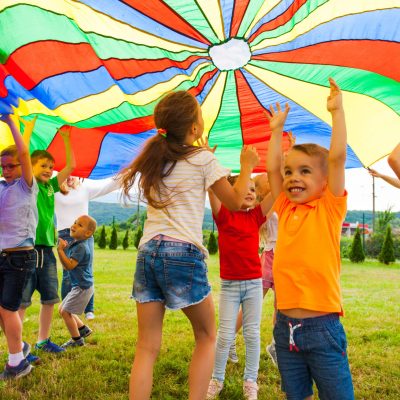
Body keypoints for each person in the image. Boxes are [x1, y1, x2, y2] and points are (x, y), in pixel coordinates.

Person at [119, 90, 260, 400]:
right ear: (195, 129)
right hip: (182, 252)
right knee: (208, 335)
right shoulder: (203, 159)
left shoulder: (157, 160)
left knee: (146, 347)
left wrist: (204, 157)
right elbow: (237, 202)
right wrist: (246, 165)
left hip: (148, 253)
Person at [266, 78, 354, 400]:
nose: (293, 178)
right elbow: (272, 170)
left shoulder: (329, 208)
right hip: (285, 329)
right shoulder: (285, 208)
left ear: (324, 180)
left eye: (304, 171)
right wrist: (276, 133)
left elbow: (337, 157)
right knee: (295, 395)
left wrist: (337, 112)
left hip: (323, 328)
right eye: (291, 172)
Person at [206, 174, 273, 400]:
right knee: (224, 336)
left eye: (254, 189)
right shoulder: (223, 216)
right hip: (230, 286)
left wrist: (282, 167)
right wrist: (211, 167)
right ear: (231, 193)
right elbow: (213, 190)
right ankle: (217, 378)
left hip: (254, 284)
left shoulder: (255, 216)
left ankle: (250, 382)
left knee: (252, 334)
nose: (251, 192)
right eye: (246, 187)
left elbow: (278, 192)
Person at [19, 125, 76, 353]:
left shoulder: (51, 187)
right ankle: (20, 347)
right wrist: (28, 132)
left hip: (47, 252)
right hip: (28, 251)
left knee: (50, 299)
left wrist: (66, 139)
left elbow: (71, 166)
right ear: (31, 167)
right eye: (43, 166)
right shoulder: (28, 186)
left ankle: (43, 340)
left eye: (51, 167)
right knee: (21, 301)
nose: (48, 170)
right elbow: (22, 157)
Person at [0, 115, 38, 379]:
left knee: (8, 309)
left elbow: (23, 153)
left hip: (20, 257)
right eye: (2, 167)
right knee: (2, 310)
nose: (6, 170)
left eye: (11, 166)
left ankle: (18, 363)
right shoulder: (3, 188)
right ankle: (20, 348)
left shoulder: (27, 187)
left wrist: (10, 122)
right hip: (3, 257)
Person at [55, 175, 119, 320]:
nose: (70, 177)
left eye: (74, 174)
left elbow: (109, 185)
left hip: (85, 235)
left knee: (86, 271)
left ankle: (89, 309)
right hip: (65, 234)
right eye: (67, 173)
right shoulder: (54, 190)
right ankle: (66, 308)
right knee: (67, 274)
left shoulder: (85, 189)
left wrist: (129, 171)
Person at [57, 215, 96, 348]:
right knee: (62, 308)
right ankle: (83, 329)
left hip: (82, 287)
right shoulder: (76, 244)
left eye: (79, 225)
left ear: (88, 233)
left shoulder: (81, 247)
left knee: (65, 312)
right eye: (74, 222)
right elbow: (66, 265)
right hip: (79, 285)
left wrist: (60, 250)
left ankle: (77, 340)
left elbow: (69, 266)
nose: (74, 226)